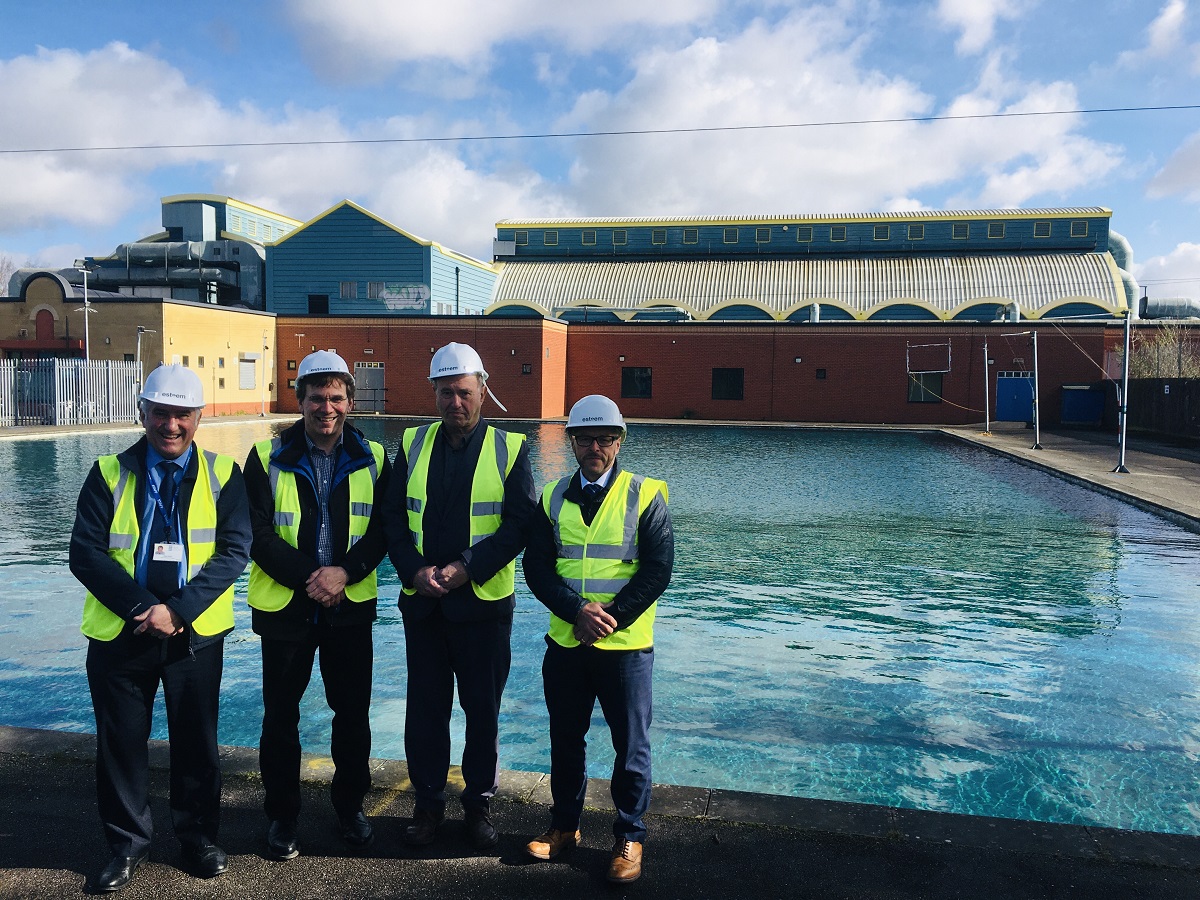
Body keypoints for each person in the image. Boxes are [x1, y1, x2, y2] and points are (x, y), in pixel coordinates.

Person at [69, 364, 251, 893]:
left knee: (197, 743)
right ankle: (126, 847)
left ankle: (197, 839)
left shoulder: (224, 474)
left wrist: (179, 610)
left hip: (194, 636)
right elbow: (85, 552)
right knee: (121, 745)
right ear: (143, 413)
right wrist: (145, 607)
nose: (171, 425)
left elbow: (234, 551)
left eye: (182, 415)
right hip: (121, 635)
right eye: (161, 414)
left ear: (199, 418)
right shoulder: (107, 472)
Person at [383, 341, 536, 850]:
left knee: (481, 713)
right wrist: (415, 570)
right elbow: (392, 522)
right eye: (446, 393)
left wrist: (466, 568)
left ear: (482, 390)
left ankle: (478, 807)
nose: (456, 403)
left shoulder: (510, 449)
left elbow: (519, 527)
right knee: (425, 713)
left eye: (464, 392)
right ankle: (427, 806)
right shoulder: (410, 445)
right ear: (434, 393)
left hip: (484, 609)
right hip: (424, 607)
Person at [243, 350, 391, 860]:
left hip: (349, 608)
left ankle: (350, 808)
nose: (325, 407)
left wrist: (344, 574)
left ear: (350, 401)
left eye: (335, 398)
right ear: (299, 400)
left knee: (351, 715)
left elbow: (382, 531)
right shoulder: (264, 458)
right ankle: (282, 817)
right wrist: (314, 577)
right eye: (315, 398)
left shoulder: (373, 458)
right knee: (280, 717)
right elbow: (257, 534)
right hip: (287, 608)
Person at [521, 394, 673, 885]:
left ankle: (630, 835)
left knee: (631, 746)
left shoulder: (645, 494)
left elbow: (658, 570)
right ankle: (566, 826)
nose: (594, 447)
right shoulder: (551, 496)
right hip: (566, 644)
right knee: (566, 741)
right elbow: (537, 568)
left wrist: (609, 618)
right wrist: (575, 612)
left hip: (625, 648)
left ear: (619, 442)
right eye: (585, 438)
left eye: (605, 439)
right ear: (571, 443)